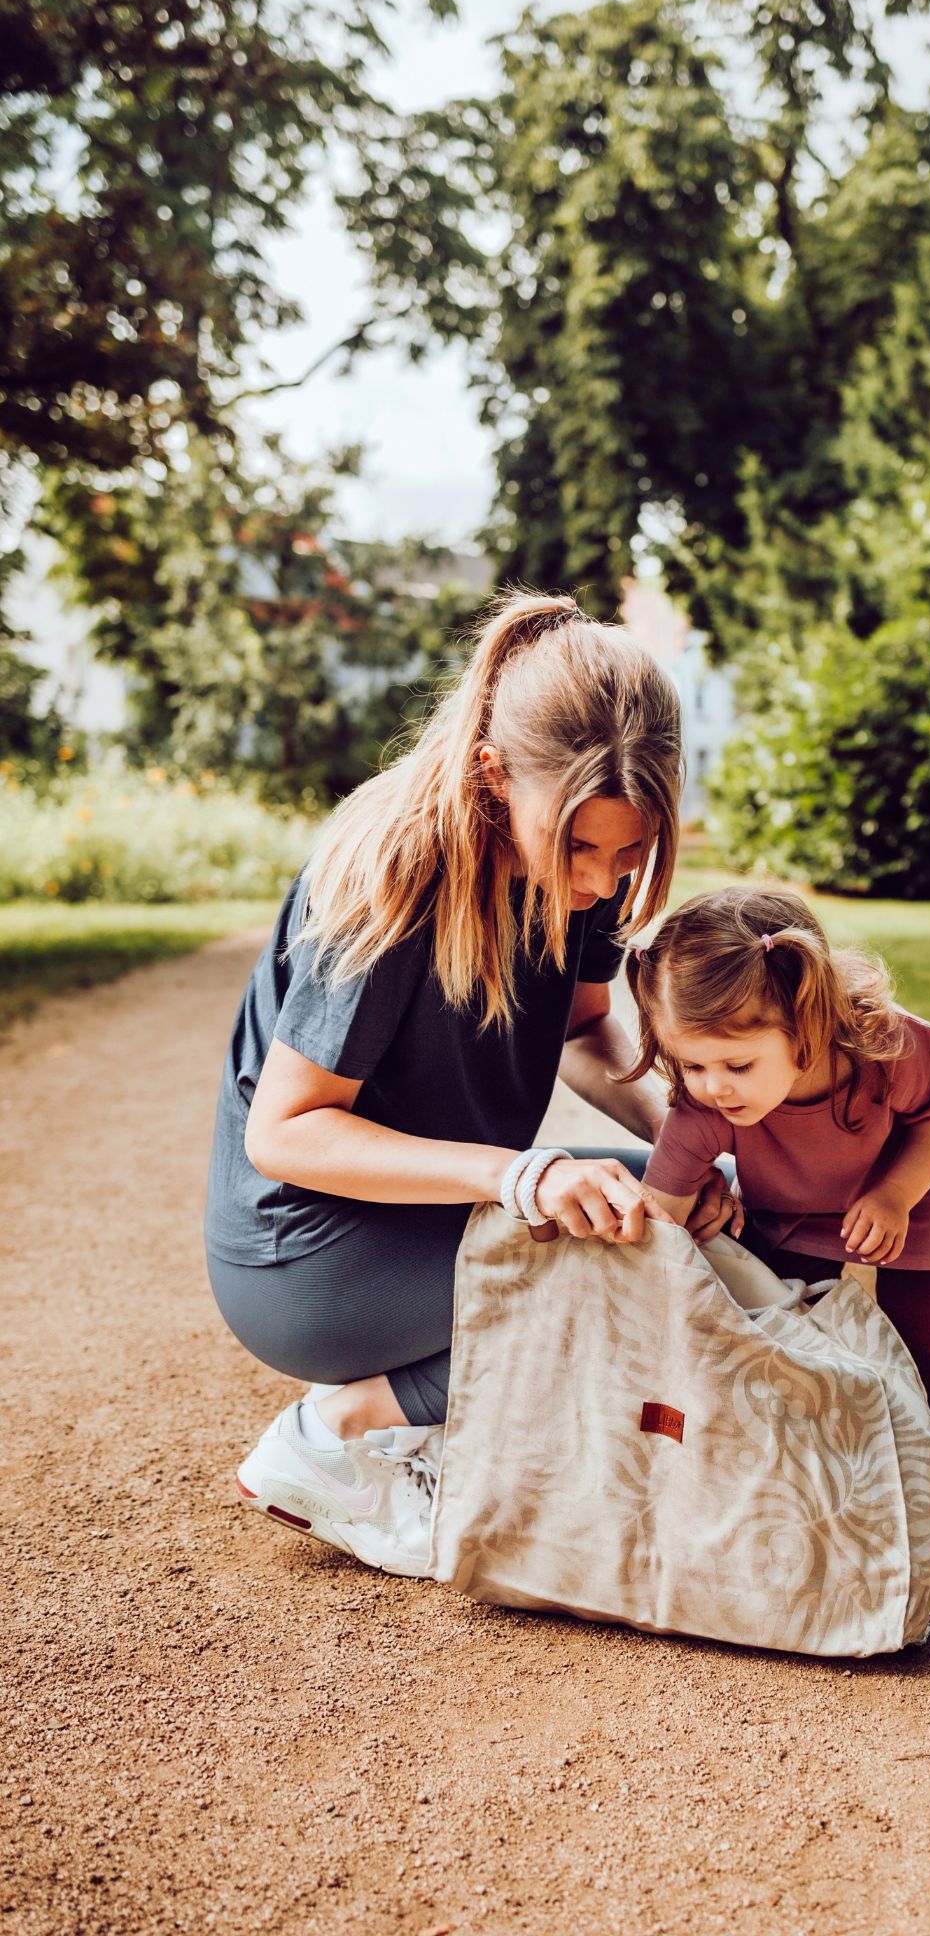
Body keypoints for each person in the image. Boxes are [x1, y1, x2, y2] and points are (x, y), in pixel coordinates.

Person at [205, 595, 735, 1578]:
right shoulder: (392, 868)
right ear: (495, 775)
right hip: (307, 1251)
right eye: (580, 848)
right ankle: (337, 1436)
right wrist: (518, 1176)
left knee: (676, 1210)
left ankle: (430, 1423)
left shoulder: (589, 867)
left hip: (439, 1207)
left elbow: (583, 1032)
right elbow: (284, 1132)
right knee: (612, 1257)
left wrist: (697, 1139)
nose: (603, 879)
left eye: (628, 853)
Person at [620, 884, 930, 1559]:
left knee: (926, 1325)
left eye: (737, 1064)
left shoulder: (889, 1044)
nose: (714, 1087)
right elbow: (663, 1218)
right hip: (788, 1208)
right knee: (788, 1330)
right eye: (693, 1064)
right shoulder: (701, 1105)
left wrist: (894, 1195)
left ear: (807, 1020)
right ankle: (818, 1458)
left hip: (902, 1194)